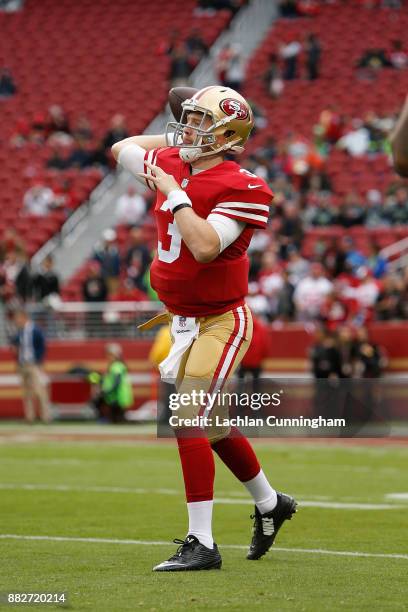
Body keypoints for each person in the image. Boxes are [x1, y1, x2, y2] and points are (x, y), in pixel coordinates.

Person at [112, 85, 296, 572]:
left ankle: (202, 542)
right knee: (209, 425)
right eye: (187, 120)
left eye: (199, 123)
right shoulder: (174, 161)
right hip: (184, 322)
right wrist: (178, 150)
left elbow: (207, 245)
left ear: (228, 137)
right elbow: (121, 147)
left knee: (187, 416)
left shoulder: (244, 185)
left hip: (221, 319)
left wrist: (174, 194)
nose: (187, 130)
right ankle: (271, 503)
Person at [10, 307, 50, 423]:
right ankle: (30, 417)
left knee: (39, 390)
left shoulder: (35, 330)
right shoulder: (20, 331)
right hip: (22, 364)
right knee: (26, 392)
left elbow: (42, 346)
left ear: (23, 317)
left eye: (18, 318)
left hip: (33, 364)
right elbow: (15, 344)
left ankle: (45, 416)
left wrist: (39, 362)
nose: (16, 321)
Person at [91, 343, 134, 422]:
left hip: (118, 397)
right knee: (118, 420)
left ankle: (102, 418)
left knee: (118, 420)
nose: (108, 357)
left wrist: (106, 391)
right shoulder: (117, 365)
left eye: (109, 355)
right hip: (117, 396)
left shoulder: (117, 366)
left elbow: (116, 383)